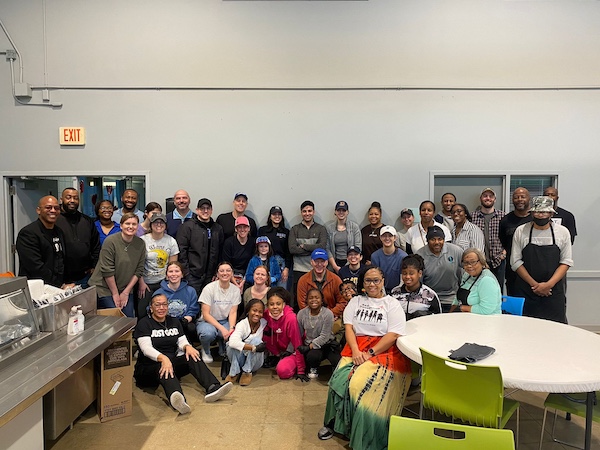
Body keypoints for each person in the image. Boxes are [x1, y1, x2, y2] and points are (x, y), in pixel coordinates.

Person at [319, 267, 412, 450]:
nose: (372, 284)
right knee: (338, 379)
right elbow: (349, 328)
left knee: (359, 384)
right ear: (363, 283)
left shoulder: (391, 304)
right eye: (368, 280)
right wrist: (355, 351)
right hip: (355, 347)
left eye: (376, 280)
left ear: (383, 281)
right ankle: (335, 424)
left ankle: (365, 436)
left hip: (384, 350)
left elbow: (393, 334)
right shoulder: (355, 302)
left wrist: (369, 353)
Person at [133, 294, 232, 415]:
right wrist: (163, 358)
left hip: (171, 363)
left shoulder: (173, 321)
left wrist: (187, 347)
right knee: (163, 367)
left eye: (164, 304)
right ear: (151, 308)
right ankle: (178, 399)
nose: (161, 307)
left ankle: (213, 387)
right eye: (157, 305)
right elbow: (146, 348)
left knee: (192, 355)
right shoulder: (144, 324)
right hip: (148, 368)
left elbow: (181, 340)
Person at [511, 196, 573, 323]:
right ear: (532, 213)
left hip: (553, 291)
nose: (540, 215)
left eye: (544, 212)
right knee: (525, 328)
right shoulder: (521, 231)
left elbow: (566, 261)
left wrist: (548, 285)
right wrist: (535, 285)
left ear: (551, 213)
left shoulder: (562, 232)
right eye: (537, 212)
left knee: (555, 329)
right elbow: (515, 261)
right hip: (526, 289)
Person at [88, 213, 146, 318]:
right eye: (127, 223)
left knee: (128, 319)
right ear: (121, 225)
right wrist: (115, 294)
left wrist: (126, 292)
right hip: (104, 288)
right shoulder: (110, 241)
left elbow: (139, 270)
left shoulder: (141, 243)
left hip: (125, 287)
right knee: (115, 317)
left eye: (134, 224)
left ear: (138, 227)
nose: (130, 227)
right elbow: (107, 270)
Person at [16, 195, 68, 288]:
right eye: (48, 207)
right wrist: (59, 285)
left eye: (56, 208)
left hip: (57, 288)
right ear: (38, 210)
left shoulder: (59, 231)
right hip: (36, 288)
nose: (53, 211)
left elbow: (61, 260)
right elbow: (35, 267)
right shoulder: (28, 233)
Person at [196, 262, 242, 363]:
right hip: (207, 321)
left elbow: (233, 312)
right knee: (208, 334)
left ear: (232, 273)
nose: (225, 273)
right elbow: (206, 314)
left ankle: (222, 344)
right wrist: (222, 329)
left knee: (232, 334)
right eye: (221, 271)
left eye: (228, 271)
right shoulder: (209, 288)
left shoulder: (235, 290)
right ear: (217, 274)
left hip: (224, 320)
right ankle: (206, 350)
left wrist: (231, 329)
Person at [176, 198, 224, 296]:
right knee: (193, 305)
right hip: (193, 276)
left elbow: (220, 251)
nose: (205, 211)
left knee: (209, 305)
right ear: (197, 210)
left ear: (211, 210)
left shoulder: (217, 228)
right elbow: (182, 251)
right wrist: (187, 273)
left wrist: (217, 272)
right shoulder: (187, 227)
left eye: (208, 208)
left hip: (211, 276)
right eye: (202, 208)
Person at [56, 187, 100, 287]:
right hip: (61, 279)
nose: (72, 200)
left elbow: (96, 245)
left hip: (84, 276)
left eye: (75, 198)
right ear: (61, 199)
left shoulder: (87, 220)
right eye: (69, 197)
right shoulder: (55, 220)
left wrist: (94, 266)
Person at [137, 213, 179, 318]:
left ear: (165, 225)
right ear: (151, 224)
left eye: (161, 222)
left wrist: (169, 284)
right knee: (143, 312)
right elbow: (138, 264)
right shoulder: (142, 240)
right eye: (156, 222)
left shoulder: (171, 241)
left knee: (163, 311)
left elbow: (172, 265)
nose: (159, 224)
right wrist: (141, 282)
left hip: (163, 283)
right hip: (146, 283)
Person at [288, 200, 327, 308]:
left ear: (313, 212)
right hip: (298, 269)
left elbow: (322, 247)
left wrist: (304, 246)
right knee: (298, 299)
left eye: (309, 211)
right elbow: (292, 249)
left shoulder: (321, 229)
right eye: (304, 211)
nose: (307, 213)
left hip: (315, 269)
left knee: (317, 298)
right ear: (301, 213)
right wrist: (314, 249)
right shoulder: (294, 229)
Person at [262, 287, 307, 380]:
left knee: (283, 372)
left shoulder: (291, 319)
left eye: (278, 304)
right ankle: (278, 357)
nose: (275, 307)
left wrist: (301, 370)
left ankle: (296, 363)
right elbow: (249, 320)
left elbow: (297, 343)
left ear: (284, 304)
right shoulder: (266, 314)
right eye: (271, 304)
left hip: (292, 351)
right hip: (279, 351)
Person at [416, 226, 463, 313]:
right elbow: (418, 283)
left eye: (440, 239)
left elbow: (466, 272)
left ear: (444, 240)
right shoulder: (419, 255)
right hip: (429, 299)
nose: (437, 242)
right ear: (427, 241)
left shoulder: (456, 251)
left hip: (452, 298)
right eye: (433, 239)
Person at [297, 289, 341, 380]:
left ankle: (335, 370)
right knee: (312, 357)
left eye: (317, 297)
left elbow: (325, 336)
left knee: (337, 360)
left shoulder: (328, 314)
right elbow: (298, 333)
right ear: (307, 300)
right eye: (311, 298)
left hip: (327, 344)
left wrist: (309, 347)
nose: (314, 300)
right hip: (310, 344)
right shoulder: (301, 314)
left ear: (321, 300)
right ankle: (313, 368)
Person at [152, 261, 199, 344]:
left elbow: (193, 310)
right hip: (164, 324)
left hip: (184, 324)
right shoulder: (158, 293)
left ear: (182, 274)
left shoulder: (191, 291)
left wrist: (185, 320)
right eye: (170, 271)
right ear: (166, 275)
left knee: (191, 328)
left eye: (177, 271)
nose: (174, 274)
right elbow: (153, 310)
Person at [225, 299, 267, 386]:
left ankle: (247, 372)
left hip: (255, 361)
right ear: (248, 311)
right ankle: (234, 372)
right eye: (254, 310)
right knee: (230, 345)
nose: (257, 314)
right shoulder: (242, 324)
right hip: (240, 359)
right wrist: (252, 348)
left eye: (260, 312)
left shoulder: (264, 323)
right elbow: (232, 342)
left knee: (257, 341)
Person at [471, 188, 507, 289]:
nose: (488, 198)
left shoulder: (503, 216)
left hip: (498, 261)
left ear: (495, 199)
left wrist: (504, 253)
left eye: (490, 196)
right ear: (480, 198)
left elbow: (509, 237)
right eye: (485, 196)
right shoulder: (472, 217)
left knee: (496, 290)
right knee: (478, 290)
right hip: (478, 262)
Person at [296, 249, 347, 320]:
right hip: (310, 318)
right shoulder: (303, 280)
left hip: (332, 318)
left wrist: (330, 314)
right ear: (311, 262)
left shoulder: (336, 279)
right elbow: (302, 304)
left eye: (322, 261)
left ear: (327, 262)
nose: (319, 264)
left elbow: (342, 302)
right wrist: (314, 317)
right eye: (316, 261)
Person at [499, 187, 532, 296]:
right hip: (513, 272)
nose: (519, 199)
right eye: (516, 197)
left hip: (534, 269)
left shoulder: (535, 219)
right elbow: (504, 242)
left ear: (529, 199)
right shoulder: (505, 220)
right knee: (514, 307)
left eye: (523, 197)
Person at [390, 254, 441, 319]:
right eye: (404, 273)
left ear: (420, 273)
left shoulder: (430, 295)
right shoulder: (394, 293)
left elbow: (438, 319)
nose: (407, 277)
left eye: (411, 273)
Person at [453, 248, 502, 315]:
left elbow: (487, 309)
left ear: (482, 262)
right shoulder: (467, 275)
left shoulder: (487, 280)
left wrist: (463, 308)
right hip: (467, 317)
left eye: (473, 262)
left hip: (487, 320)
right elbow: (456, 300)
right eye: (466, 263)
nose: (469, 266)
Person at [258, 205, 291, 288]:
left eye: (279, 214)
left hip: (281, 264)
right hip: (265, 262)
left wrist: (286, 268)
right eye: (274, 214)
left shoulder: (286, 232)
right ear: (270, 217)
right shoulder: (263, 230)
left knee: (281, 290)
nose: (277, 216)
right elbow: (257, 248)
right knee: (264, 289)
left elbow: (288, 251)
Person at [326, 201, 362, 273]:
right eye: (339, 210)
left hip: (351, 262)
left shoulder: (354, 227)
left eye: (343, 210)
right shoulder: (329, 228)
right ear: (335, 212)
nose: (341, 212)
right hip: (334, 263)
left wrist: (348, 265)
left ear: (347, 212)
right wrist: (335, 266)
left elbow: (358, 247)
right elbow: (327, 248)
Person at [370, 226, 408, 294]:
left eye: (390, 236)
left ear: (395, 238)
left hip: (399, 292)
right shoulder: (375, 256)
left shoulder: (403, 256)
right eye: (384, 236)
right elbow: (376, 278)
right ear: (380, 238)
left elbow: (403, 278)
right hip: (381, 292)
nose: (387, 238)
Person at [222, 216, 254, 288]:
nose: (242, 230)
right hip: (231, 275)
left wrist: (243, 282)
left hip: (247, 275)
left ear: (249, 228)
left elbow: (252, 265)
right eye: (239, 227)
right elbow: (226, 264)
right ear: (236, 229)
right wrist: (235, 283)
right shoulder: (229, 242)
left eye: (245, 227)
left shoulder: (253, 242)